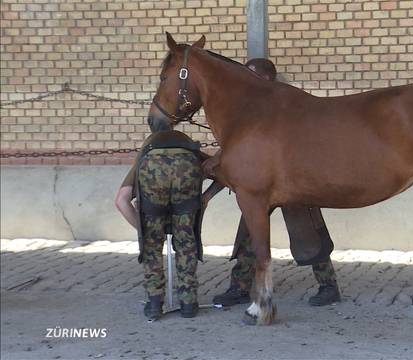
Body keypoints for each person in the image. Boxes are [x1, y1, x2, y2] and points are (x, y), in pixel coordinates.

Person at [210, 58, 341, 308]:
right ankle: (239, 286)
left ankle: (328, 285)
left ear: (268, 79)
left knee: (309, 233)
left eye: (255, 78)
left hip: (293, 181)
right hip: (259, 182)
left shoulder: (290, 105)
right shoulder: (248, 109)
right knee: (250, 232)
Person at [115, 119, 223, 320]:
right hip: (188, 166)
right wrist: (205, 197)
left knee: (152, 244)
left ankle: (155, 303)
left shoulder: (147, 150)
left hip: (151, 173)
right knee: (186, 242)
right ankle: (188, 303)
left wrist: (143, 230)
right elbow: (223, 174)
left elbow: (121, 201)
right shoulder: (186, 144)